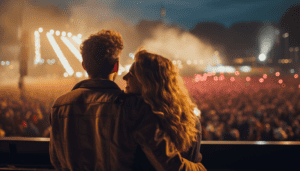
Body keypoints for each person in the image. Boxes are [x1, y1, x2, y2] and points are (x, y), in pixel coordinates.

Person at [49, 30, 206, 171]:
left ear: (84, 65)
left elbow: (56, 160)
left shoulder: (59, 106)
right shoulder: (132, 106)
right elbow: (167, 162)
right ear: (116, 66)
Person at [122, 49, 204, 170]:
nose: (124, 77)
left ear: (147, 82)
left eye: (131, 74)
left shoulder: (129, 112)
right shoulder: (190, 121)